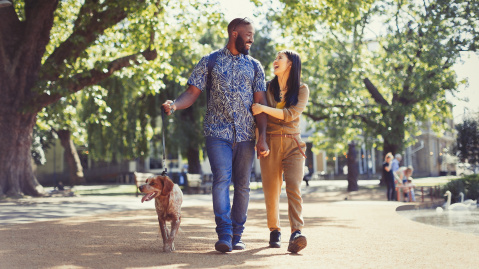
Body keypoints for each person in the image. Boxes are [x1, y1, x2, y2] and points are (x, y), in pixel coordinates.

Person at [162, 17, 269, 253]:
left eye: (252, 35)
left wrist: (262, 137)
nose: (251, 39)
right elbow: (191, 93)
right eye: (248, 34)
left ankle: (237, 235)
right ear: (234, 33)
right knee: (221, 180)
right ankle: (225, 234)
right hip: (216, 131)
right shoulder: (209, 62)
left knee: (242, 185)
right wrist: (175, 105)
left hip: (245, 134)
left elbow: (260, 104)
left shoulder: (254, 66)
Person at [252, 50, 309, 253]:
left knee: (293, 188)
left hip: (294, 145)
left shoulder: (302, 89)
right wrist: (261, 141)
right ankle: (274, 230)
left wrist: (263, 108)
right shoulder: (267, 88)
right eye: (275, 57)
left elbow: (290, 114)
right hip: (270, 143)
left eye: (280, 58)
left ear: (291, 64)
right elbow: (259, 119)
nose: (275, 61)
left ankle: (297, 232)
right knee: (271, 191)